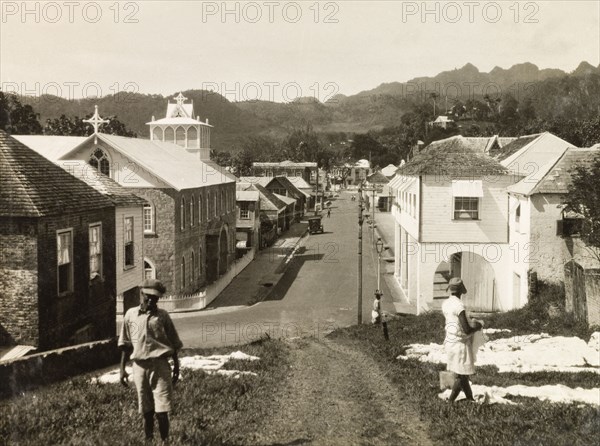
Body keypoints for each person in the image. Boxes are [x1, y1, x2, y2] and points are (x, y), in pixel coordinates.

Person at [119, 279, 183, 443]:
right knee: (146, 410)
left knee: (162, 410)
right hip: (139, 367)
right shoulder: (130, 315)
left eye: (155, 298)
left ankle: (165, 441)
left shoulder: (163, 316)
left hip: (160, 367)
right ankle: (148, 440)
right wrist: (122, 370)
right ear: (141, 294)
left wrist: (176, 366)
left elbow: (173, 342)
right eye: (148, 296)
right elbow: (126, 344)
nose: (150, 301)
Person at [441, 277, 483, 403]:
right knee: (462, 374)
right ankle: (451, 401)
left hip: (450, 341)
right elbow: (466, 329)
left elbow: (453, 322)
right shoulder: (459, 305)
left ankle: (469, 398)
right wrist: (477, 326)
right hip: (460, 344)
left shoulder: (446, 303)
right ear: (460, 291)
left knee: (462, 374)